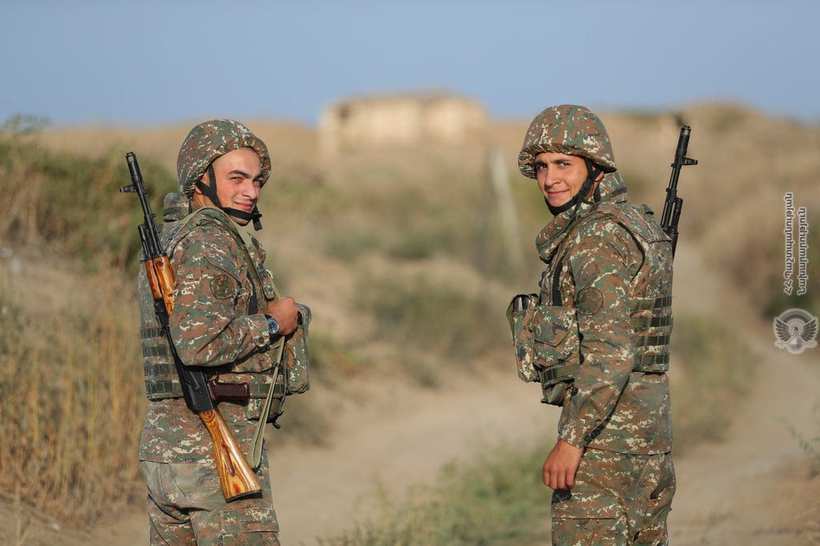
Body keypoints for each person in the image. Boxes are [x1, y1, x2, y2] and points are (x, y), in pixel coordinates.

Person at [508, 105, 676, 545]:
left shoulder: (595, 237)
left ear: (596, 169)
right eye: (542, 167)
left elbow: (612, 351)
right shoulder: (635, 224)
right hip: (648, 444)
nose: (550, 179)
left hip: (605, 451)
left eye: (564, 164)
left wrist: (571, 440)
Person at [138, 119, 304, 545]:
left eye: (256, 180)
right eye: (236, 178)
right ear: (200, 180)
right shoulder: (210, 241)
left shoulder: (171, 237)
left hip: (166, 455)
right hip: (212, 456)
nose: (251, 191)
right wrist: (273, 323)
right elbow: (197, 344)